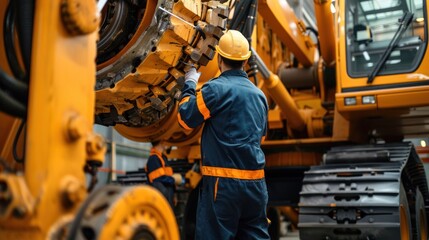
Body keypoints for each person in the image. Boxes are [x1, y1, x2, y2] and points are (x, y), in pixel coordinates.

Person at [177, 30, 270, 240]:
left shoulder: (215, 89)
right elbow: (261, 138)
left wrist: (190, 84)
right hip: (256, 185)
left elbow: (185, 119)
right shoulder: (260, 96)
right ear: (245, 61)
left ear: (219, 59)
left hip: (223, 185)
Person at [145, 141, 176, 208]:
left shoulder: (163, 158)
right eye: (167, 140)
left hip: (168, 197)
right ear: (161, 142)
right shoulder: (154, 158)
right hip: (162, 200)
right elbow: (158, 179)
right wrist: (174, 179)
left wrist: (174, 194)